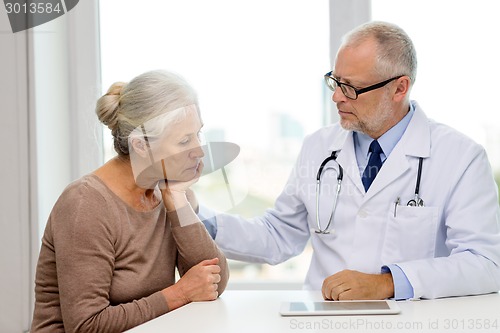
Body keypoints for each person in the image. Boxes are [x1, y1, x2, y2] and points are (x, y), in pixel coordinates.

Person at [200, 21, 500, 300]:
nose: (337, 98)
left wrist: (388, 283)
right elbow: (278, 236)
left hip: (411, 321)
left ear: (399, 88)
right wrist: (196, 218)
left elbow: (485, 264)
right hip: (324, 316)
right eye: (335, 82)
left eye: (352, 88)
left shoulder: (461, 157)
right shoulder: (318, 147)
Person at [31, 70, 229, 333]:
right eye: (184, 140)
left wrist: (177, 200)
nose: (199, 150)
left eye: (197, 135)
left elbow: (212, 283)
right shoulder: (85, 204)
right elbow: (85, 326)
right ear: (141, 146)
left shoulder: (172, 194)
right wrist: (178, 294)